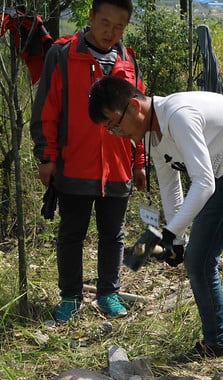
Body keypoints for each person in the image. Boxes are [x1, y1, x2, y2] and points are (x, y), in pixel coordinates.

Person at [88, 76, 223, 380]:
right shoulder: (152, 137)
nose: (117, 133)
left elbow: (203, 184)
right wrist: (177, 243)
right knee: (196, 259)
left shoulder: (178, 115)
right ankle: (215, 342)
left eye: (114, 124)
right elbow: (171, 187)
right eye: (110, 130)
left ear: (133, 107)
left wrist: (168, 235)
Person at [30, 0, 146, 322]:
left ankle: (109, 293)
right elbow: (47, 110)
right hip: (74, 164)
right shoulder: (63, 54)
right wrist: (46, 156)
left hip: (118, 166)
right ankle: (70, 297)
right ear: (91, 16)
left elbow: (139, 114)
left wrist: (138, 160)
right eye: (105, 22)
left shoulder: (127, 59)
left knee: (114, 234)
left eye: (119, 26)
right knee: (71, 234)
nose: (111, 32)